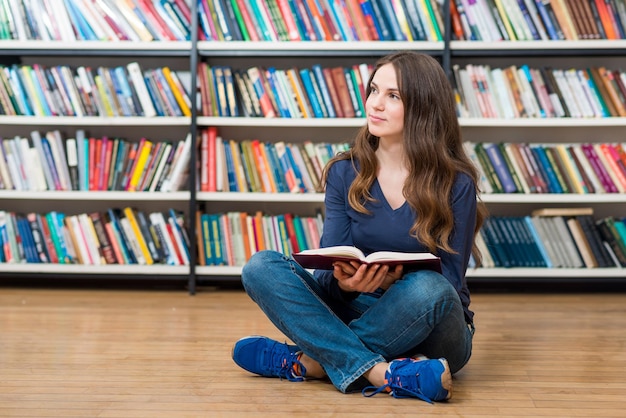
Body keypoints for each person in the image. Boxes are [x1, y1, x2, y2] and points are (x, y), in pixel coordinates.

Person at [231, 51, 486, 402]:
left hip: (433, 325)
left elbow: (450, 288)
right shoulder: (344, 171)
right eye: (373, 90)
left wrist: (396, 280)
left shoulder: (456, 184)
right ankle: (386, 372)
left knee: (429, 288)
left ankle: (312, 361)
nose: (375, 104)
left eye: (393, 96)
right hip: (361, 306)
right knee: (260, 266)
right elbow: (325, 277)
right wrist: (346, 285)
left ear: (424, 106)